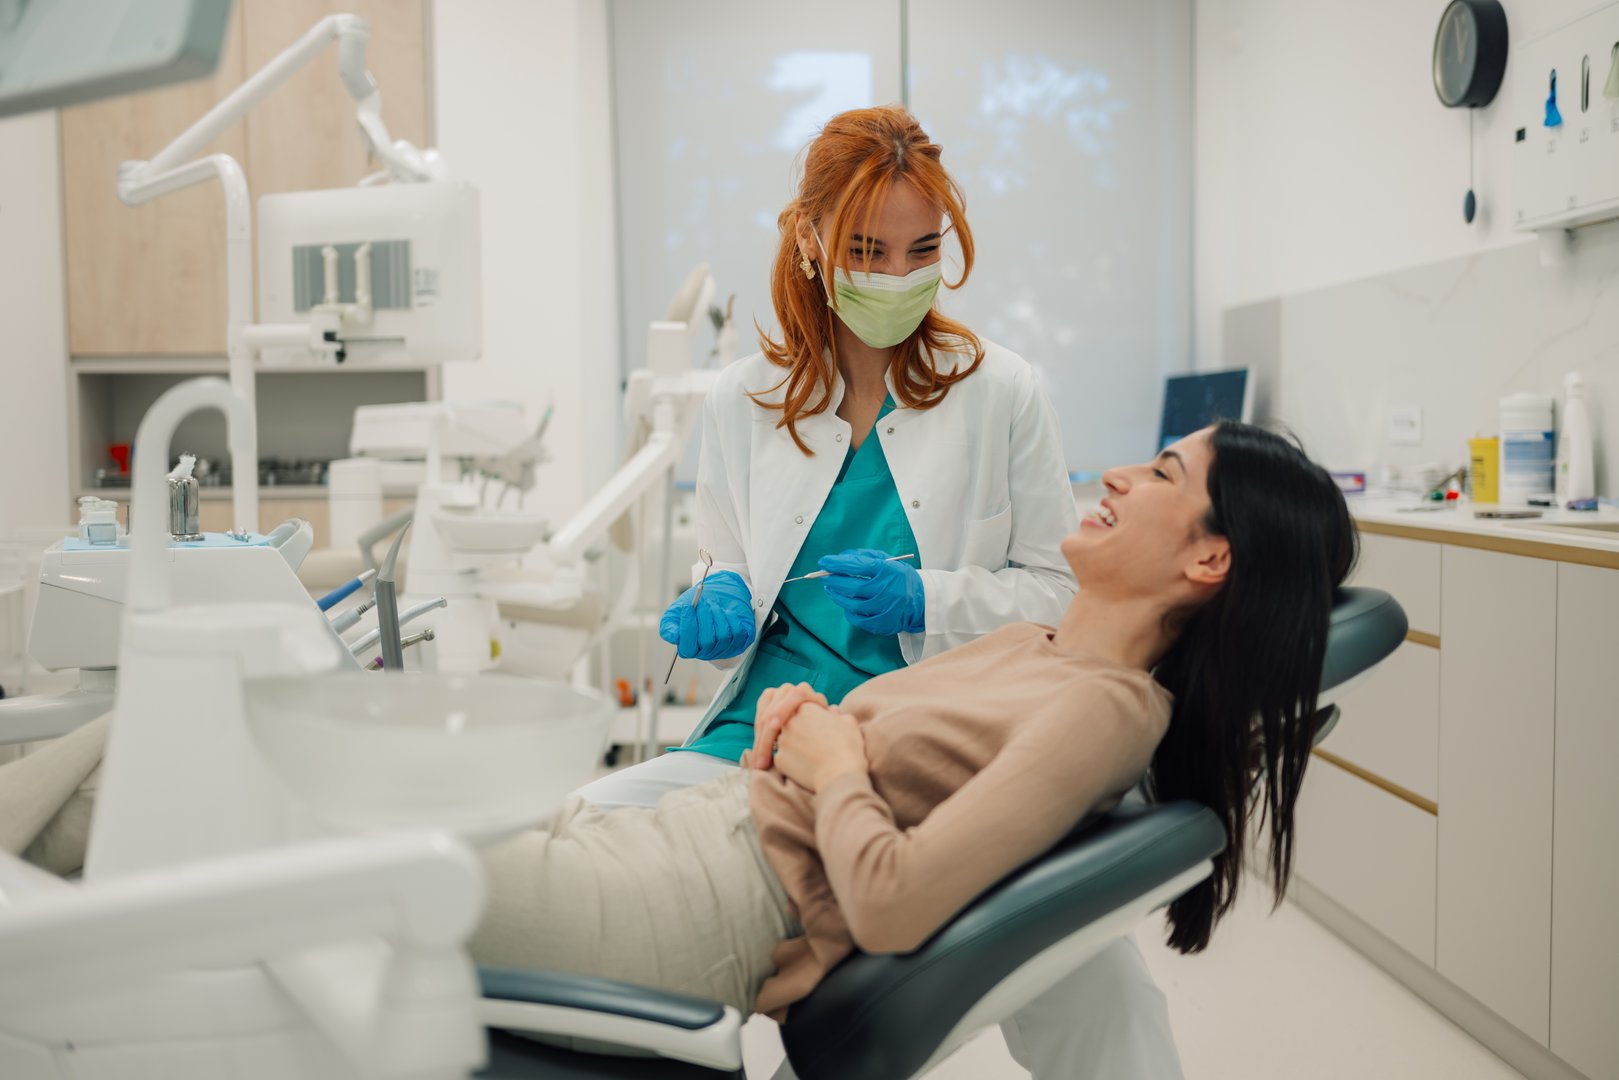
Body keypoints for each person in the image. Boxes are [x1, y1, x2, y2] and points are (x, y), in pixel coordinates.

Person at [0, 421, 1358, 1069]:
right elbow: (859, 754)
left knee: (221, 801)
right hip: (675, 841)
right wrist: (809, 734)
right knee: (218, 741)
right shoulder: (1048, 645)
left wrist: (823, 760)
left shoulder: (1101, 709)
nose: (1122, 472)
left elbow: (890, 903)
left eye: (1161, 478)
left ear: (1206, 560)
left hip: (698, 899)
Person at [576, 104, 1078, 811]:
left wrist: (924, 599)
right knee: (593, 822)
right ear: (810, 239)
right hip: (764, 727)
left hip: (921, 733)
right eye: (867, 252)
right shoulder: (742, 398)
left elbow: (1060, 595)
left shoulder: (1002, 391)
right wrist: (720, 599)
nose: (897, 276)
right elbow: (731, 570)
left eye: (923, 250)